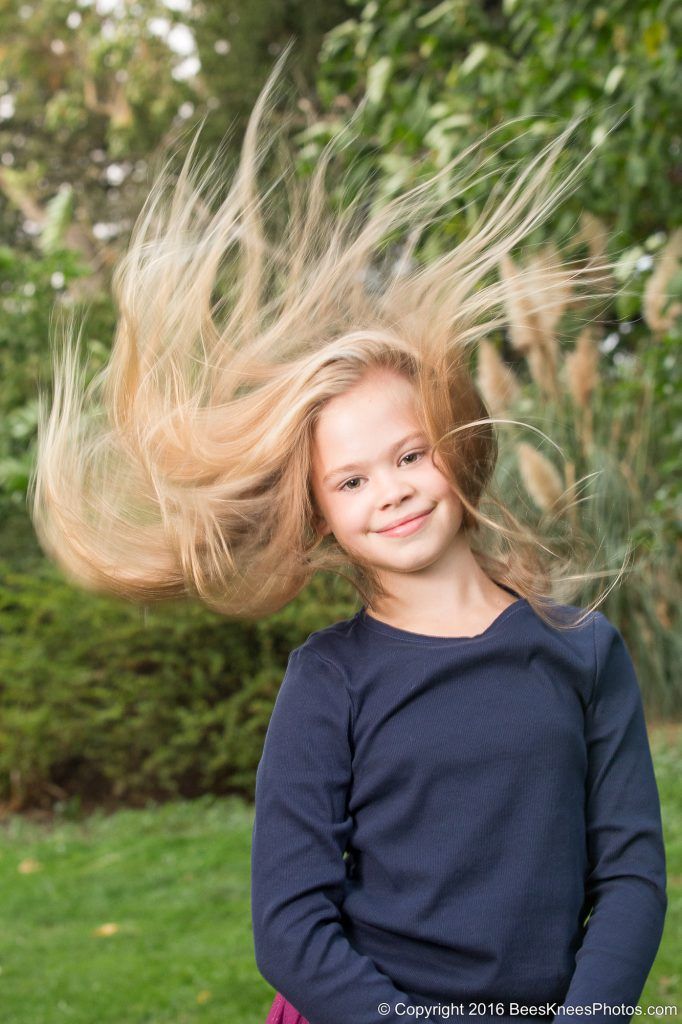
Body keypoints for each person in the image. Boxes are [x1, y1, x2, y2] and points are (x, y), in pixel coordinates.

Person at [29, 50, 667, 1024]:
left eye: (410, 455)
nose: (392, 493)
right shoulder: (328, 680)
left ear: (455, 446)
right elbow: (288, 923)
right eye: (353, 479)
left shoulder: (583, 650)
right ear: (321, 512)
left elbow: (627, 875)